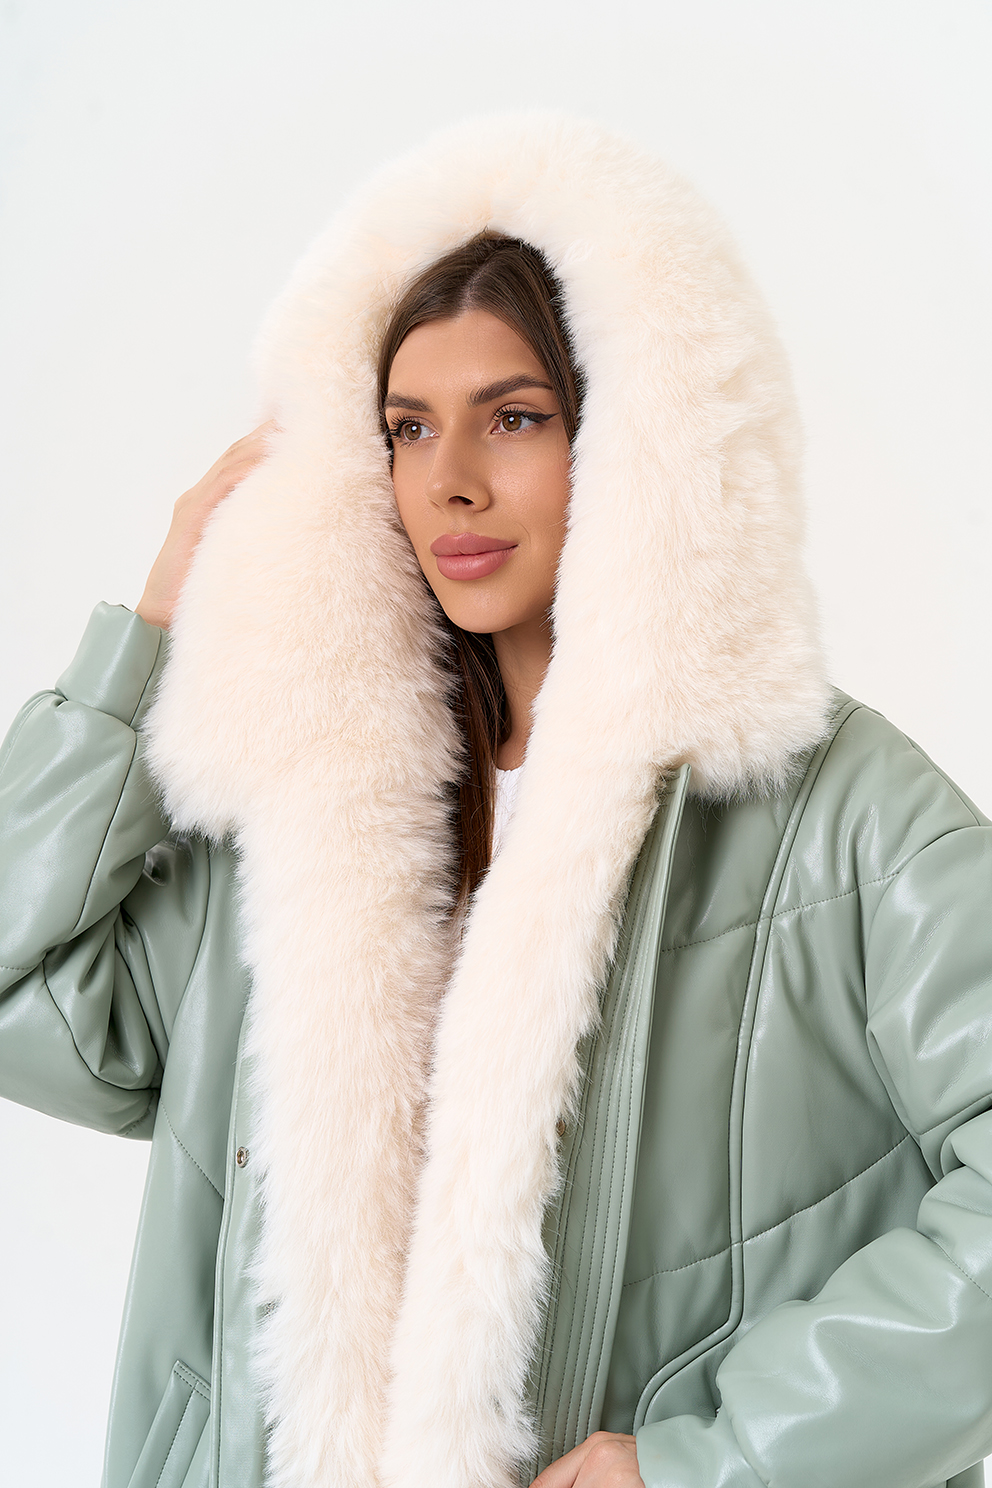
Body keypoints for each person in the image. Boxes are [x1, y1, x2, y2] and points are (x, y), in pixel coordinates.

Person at [1, 113, 991, 1488]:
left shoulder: (840, 809)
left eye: (514, 418)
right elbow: (25, 995)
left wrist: (716, 1463)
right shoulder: (312, 831)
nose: (450, 481)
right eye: (407, 429)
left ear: (641, 440)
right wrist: (156, 625)